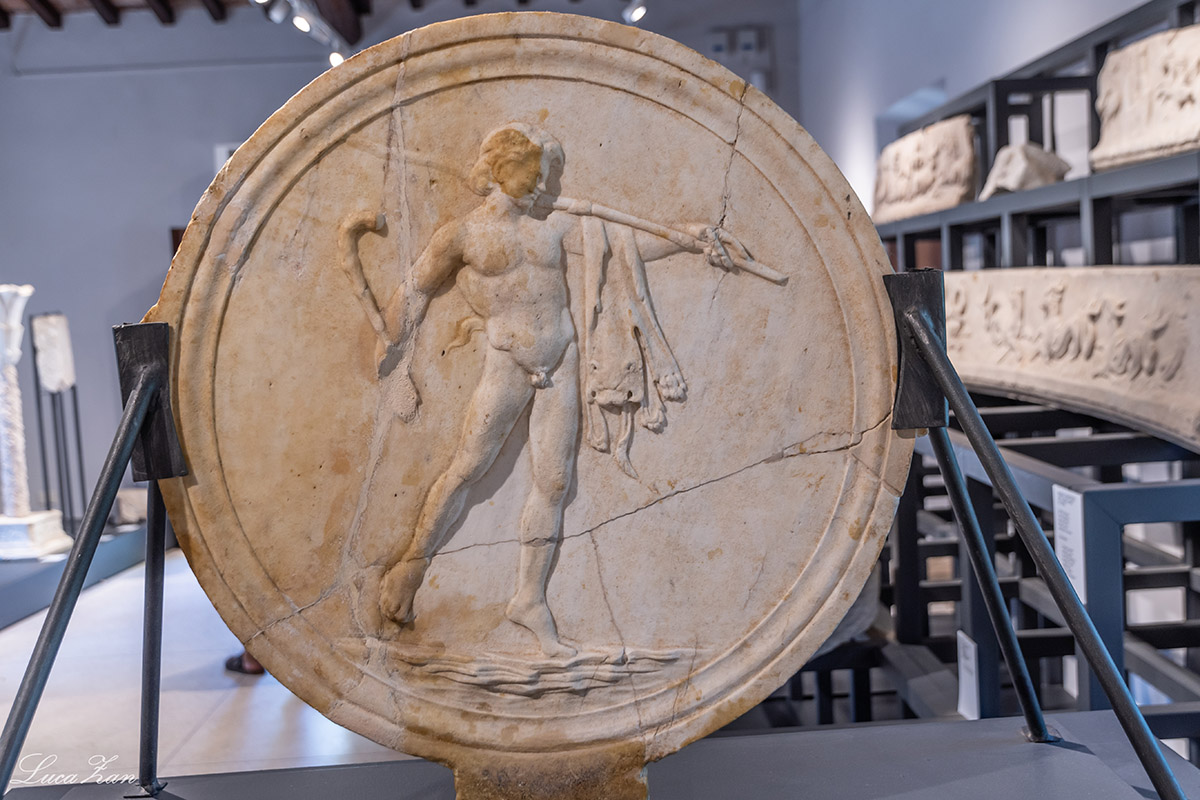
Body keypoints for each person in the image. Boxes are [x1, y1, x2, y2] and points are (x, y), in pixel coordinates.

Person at [342, 123, 758, 657]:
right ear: (500, 170)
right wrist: (392, 341)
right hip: (508, 362)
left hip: (560, 359)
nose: (543, 185)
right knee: (468, 466)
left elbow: (626, 245)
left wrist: (691, 236)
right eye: (533, 174)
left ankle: (529, 599)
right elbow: (418, 288)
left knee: (554, 482)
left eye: (546, 175)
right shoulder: (462, 236)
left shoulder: (554, 225)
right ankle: (412, 566)